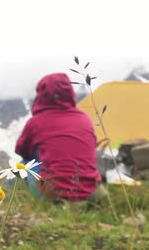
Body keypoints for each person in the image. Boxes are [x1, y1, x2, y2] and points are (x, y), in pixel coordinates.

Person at [15, 73, 102, 202]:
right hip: (92, 192)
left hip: (53, 194)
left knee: (23, 165)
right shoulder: (84, 118)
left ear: (41, 95)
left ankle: (9, 199)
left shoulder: (36, 122)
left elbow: (22, 150)